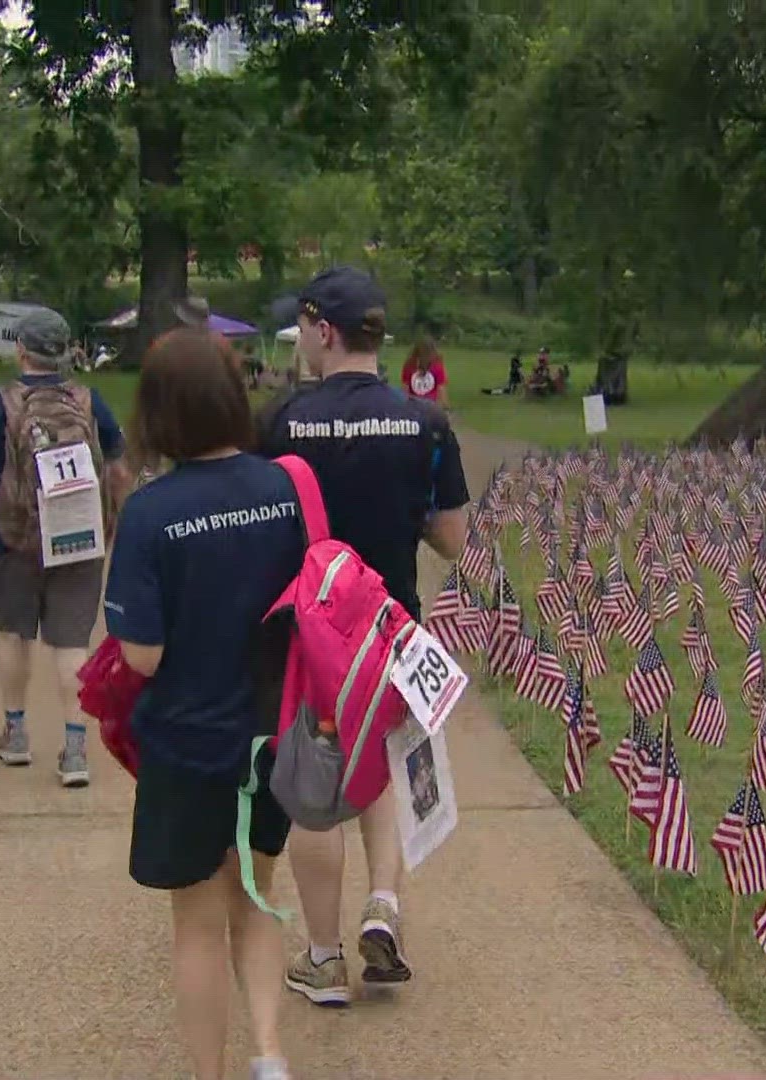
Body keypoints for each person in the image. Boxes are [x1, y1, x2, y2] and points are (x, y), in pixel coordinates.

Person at [260, 265, 470, 1007]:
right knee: (380, 761)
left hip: (313, 634)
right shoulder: (428, 423)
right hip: (393, 627)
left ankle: (322, 959)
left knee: (317, 786)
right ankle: (384, 903)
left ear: (324, 330)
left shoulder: (282, 419)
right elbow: (450, 538)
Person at [105, 329, 306, 1080]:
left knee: (195, 919)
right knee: (258, 898)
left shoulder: (152, 513)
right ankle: (270, 1053)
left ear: (157, 412)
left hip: (187, 745)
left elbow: (141, 656)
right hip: (271, 735)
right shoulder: (287, 488)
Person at [0, 308, 129, 786]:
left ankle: (16, 733)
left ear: (21, 351)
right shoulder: (91, 402)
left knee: (13, 635)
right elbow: (119, 470)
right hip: (80, 539)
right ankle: (74, 750)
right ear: (65, 352)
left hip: (16, 541)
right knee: (72, 644)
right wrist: (120, 525)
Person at [400, 339, 447, 406]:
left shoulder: (409, 365)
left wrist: (404, 405)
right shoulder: (437, 366)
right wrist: (445, 406)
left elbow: (405, 388)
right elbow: (441, 388)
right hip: (430, 406)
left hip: (413, 404)